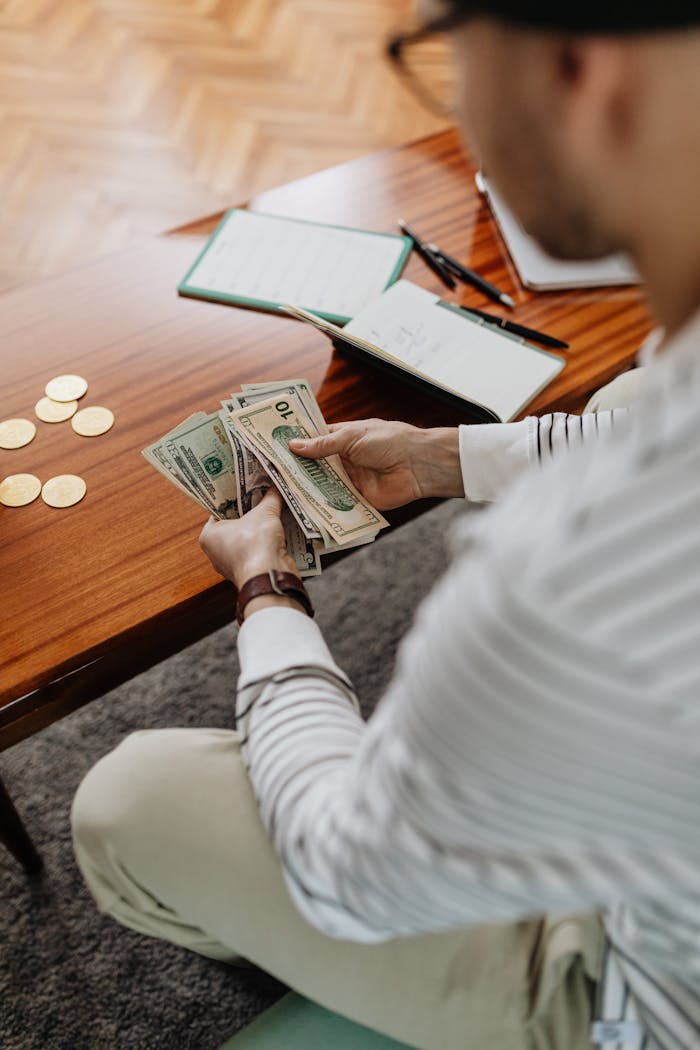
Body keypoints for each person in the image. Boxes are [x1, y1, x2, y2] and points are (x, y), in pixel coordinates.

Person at [72, 4, 700, 1048]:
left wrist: (266, 592)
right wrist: (441, 457)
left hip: (637, 996)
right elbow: (654, 423)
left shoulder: (574, 573)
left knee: (125, 799)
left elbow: (343, 872)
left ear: (582, 74)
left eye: (448, 53)